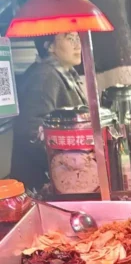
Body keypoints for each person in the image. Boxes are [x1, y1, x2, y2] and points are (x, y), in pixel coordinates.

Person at [11, 32, 86, 192]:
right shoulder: (45, 76)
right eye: (70, 39)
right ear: (49, 46)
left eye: (78, 38)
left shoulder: (65, 73)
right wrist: (63, 164)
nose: (77, 44)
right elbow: (30, 131)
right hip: (40, 183)